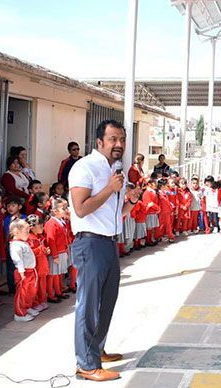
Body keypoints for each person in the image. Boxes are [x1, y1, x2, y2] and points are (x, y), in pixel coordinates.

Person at [67, 119, 140, 382]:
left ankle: (97, 349)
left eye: (122, 139)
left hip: (109, 240)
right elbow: (81, 208)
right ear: (99, 142)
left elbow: (113, 216)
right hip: (90, 243)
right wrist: (110, 188)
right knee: (88, 305)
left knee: (107, 301)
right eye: (113, 139)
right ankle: (86, 364)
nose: (119, 144)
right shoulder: (84, 167)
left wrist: (130, 202)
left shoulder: (115, 171)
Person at [9, 218, 39, 322]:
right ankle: (20, 314)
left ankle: (27, 307)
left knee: (30, 292)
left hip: (30, 271)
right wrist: (21, 272)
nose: (28, 233)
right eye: (26, 231)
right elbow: (17, 259)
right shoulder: (15, 245)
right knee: (21, 294)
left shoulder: (23, 242)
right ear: (16, 232)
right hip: (24, 273)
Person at [44, 198, 71, 304]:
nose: (66, 210)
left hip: (62, 251)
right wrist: (54, 256)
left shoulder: (60, 221)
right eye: (63, 208)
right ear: (55, 211)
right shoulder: (51, 223)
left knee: (58, 274)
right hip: (56, 253)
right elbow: (51, 241)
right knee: (52, 274)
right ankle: (51, 294)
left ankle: (58, 291)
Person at [26, 214, 50, 313]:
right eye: (40, 226)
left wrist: (46, 251)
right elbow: (30, 252)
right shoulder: (29, 238)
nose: (42, 228)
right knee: (35, 286)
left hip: (42, 264)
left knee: (42, 285)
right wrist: (41, 249)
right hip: (36, 266)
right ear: (32, 227)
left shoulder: (40, 236)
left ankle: (42, 300)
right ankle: (35, 303)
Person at [143, 178, 160, 245]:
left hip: (153, 212)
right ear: (149, 184)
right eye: (154, 183)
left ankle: (151, 239)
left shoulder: (153, 192)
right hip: (149, 212)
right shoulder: (147, 193)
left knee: (152, 227)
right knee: (149, 227)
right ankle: (148, 240)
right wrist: (157, 208)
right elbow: (149, 203)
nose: (155, 185)